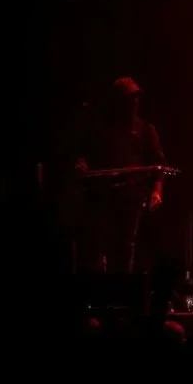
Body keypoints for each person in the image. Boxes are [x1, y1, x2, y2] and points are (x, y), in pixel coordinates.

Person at [74, 77, 166, 273]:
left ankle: (123, 285)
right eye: (130, 97)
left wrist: (157, 191)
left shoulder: (145, 129)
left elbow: (158, 164)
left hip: (131, 196)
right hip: (102, 195)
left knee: (125, 246)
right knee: (97, 245)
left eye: (136, 97)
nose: (135, 102)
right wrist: (82, 164)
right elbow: (83, 154)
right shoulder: (101, 129)